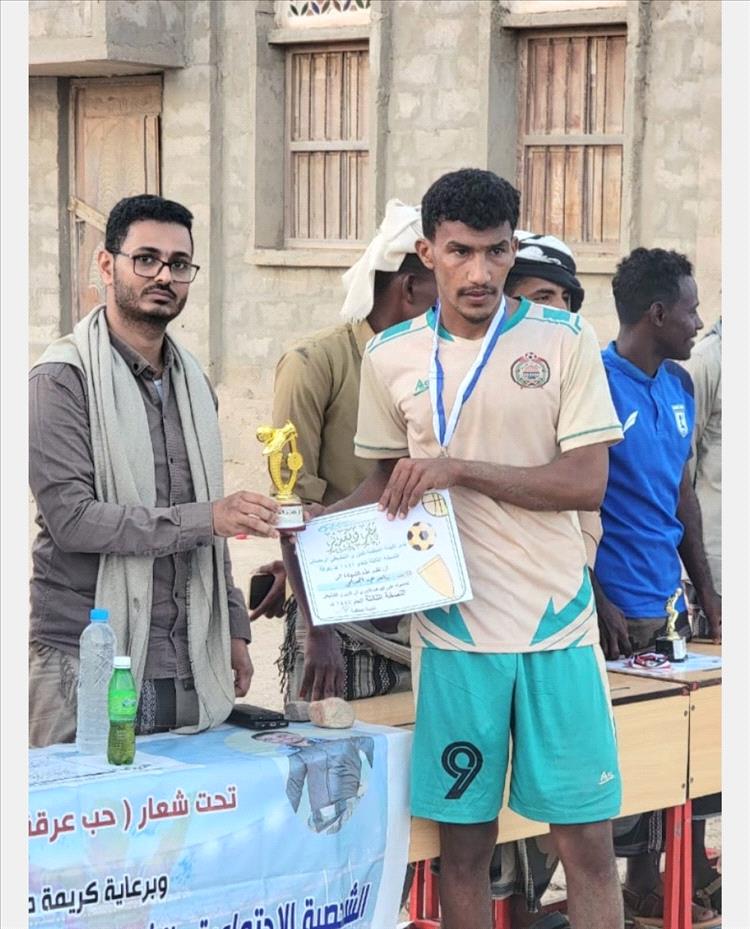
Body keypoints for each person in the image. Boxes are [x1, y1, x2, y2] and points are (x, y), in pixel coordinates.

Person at [284, 169, 625, 929]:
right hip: (454, 633)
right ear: (426, 252)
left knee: (588, 848)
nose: (479, 273)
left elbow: (586, 481)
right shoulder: (390, 356)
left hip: (556, 625)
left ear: (512, 251)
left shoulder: (564, 339)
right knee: (463, 853)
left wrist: (458, 468)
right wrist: (314, 534)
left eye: (497, 252)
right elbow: (386, 483)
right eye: (461, 251)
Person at [29, 194, 280, 747]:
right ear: (106, 264)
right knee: (85, 800)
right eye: (146, 259)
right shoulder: (62, 380)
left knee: (180, 803)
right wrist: (208, 518)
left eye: (179, 263)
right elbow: (73, 520)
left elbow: (211, 523)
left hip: (183, 655)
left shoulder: (193, 385)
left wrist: (233, 629)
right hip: (82, 656)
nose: (164, 275)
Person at [250, 199, 437, 702]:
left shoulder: (439, 366)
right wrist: (319, 628)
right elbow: (292, 504)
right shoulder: (313, 364)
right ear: (411, 289)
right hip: (339, 618)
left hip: (420, 607)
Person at [592, 247, 722, 926]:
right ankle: (592, 896)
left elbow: (681, 496)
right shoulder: (594, 383)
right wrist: (595, 598)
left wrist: (707, 593)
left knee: (674, 760)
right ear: (658, 313)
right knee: (608, 769)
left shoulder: (679, 386)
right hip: (610, 613)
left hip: (667, 609)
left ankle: (651, 887)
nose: (700, 322)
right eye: (692, 310)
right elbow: (570, 507)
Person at [252, 730, 375, 835]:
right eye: (271, 740)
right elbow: (294, 788)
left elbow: (370, 745)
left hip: (353, 804)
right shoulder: (297, 757)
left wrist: (374, 775)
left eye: (281, 735)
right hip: (325, 815)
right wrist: (287, 823)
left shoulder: (342, 741)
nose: (281, 738)